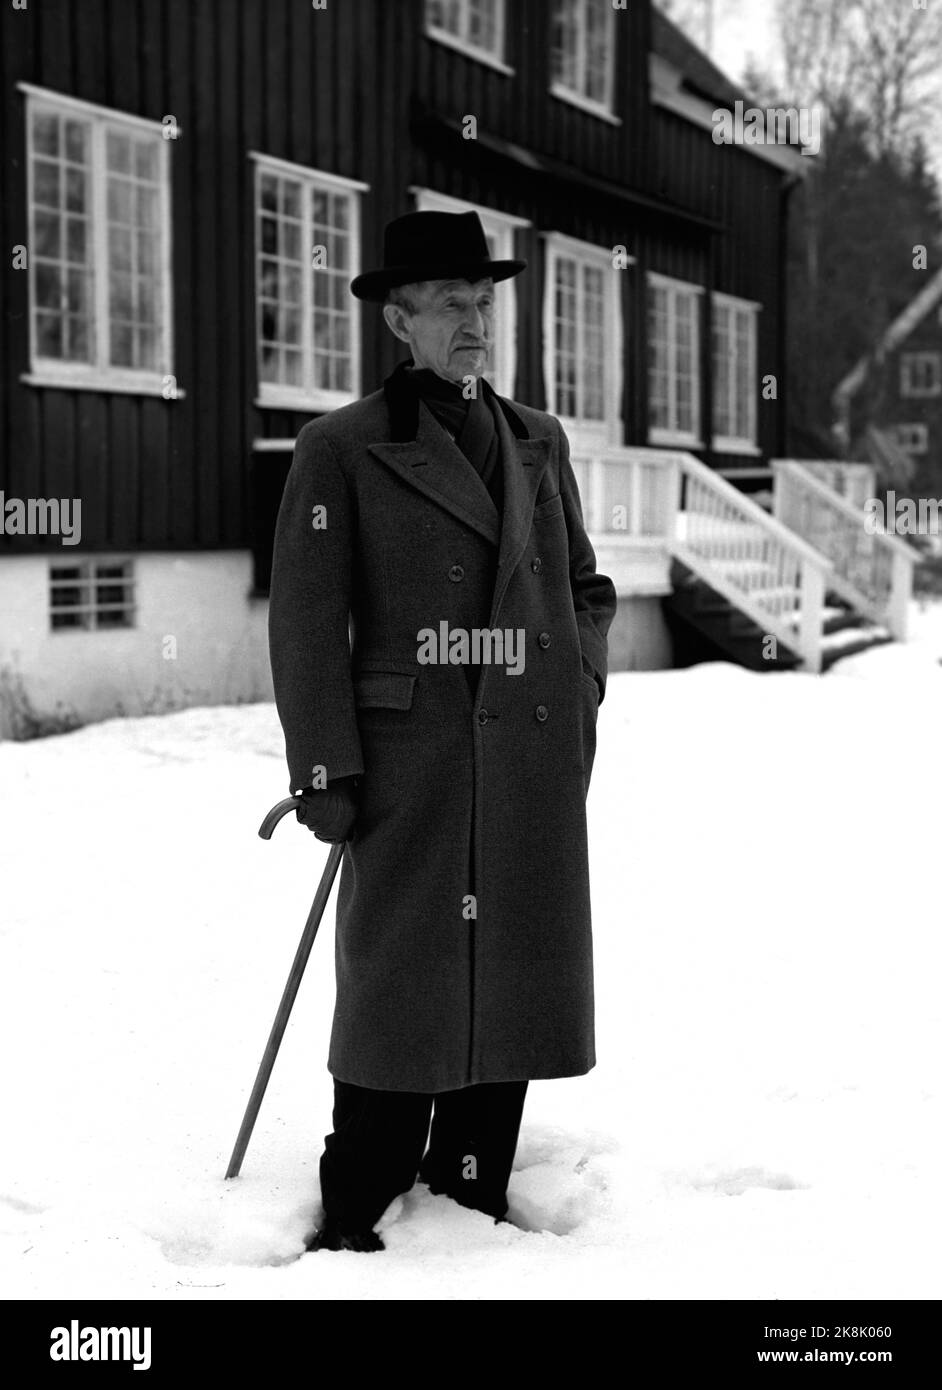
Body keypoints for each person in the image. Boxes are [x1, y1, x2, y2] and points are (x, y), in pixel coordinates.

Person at [267, 210, 617, 1252]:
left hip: (526, 756)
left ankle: (471, 1194)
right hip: (409, 762)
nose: (474, 322)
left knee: (511, 974)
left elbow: (587, 586)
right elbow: (304, 621)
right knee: (398, 983)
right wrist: (325, 763)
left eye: (483, 300)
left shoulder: (535, 440)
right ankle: (359, 1205)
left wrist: (580, 684)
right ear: (398, 321)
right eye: (450, 305)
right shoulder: (341, 450)